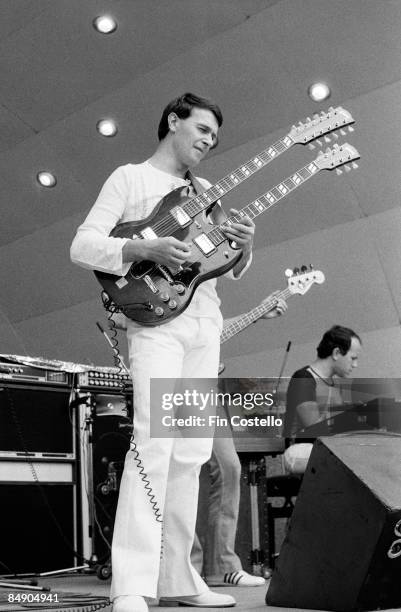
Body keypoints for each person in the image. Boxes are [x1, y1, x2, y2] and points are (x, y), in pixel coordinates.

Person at [70, 93, 255, 612]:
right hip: (155, 326)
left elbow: (220, 263)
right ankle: (130, 583)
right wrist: (142, 248)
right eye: (200, 129)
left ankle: (179, 577)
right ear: (172, 122)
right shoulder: (128, 178)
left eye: (214, 138)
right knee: (153, 443)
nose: (207, 141)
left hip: (204, 323)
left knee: (192, 452)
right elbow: (82, 246)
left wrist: (246, 245)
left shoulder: (208, 192)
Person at [191, 294, 287, 587]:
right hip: (177, 383)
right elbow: (119, 317)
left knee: (230, 467)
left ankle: (222, 566)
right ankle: (188, 569)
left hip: (205, 388)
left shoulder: (205, 286)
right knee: (180, 475)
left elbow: (213, 330)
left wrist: (257, 313)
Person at [283, 325, 362, 474]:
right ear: (337, 353)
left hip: (329, 448)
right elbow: (316, 428)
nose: (355, 364)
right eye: (353, 358)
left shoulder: (334, 383)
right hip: (301, 451)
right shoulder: (304, 378)